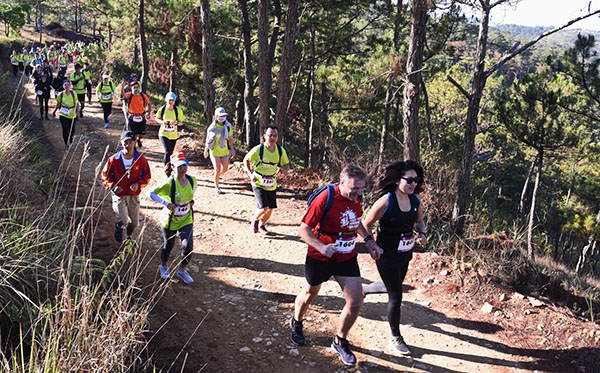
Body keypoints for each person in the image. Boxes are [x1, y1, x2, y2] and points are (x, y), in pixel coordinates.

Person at [290, 165, 382, 366]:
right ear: (341, 183)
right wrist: (322, 247)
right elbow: (303, 230)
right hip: (320, 256)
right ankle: (297, 321)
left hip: (346, 257)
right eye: (354, 188)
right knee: (310, 293)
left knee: (356, 301)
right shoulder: (325, 197)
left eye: (361, 189)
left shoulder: (356, 197)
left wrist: (369, 240)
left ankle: (340, 340)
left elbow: (355, 221)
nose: (357, 193)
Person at [362, 160, 427, 356]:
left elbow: (420, 220)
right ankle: (396, 337)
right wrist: (371, 244)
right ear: (398, 180)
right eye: (409, 180)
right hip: (386, 254)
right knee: (396, 295)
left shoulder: (415, 201)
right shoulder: (386, 201)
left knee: (394, 284)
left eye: (416, 180)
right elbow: (366, 224)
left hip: (405, 253)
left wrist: (422, 233)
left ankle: (364, 289)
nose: (413, 184)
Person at [149, 152, 197, 284]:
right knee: (168, 245)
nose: (183, 168)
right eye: (179, 166)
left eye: (184, 165)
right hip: (169, 221)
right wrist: (166, 203)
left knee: (188, 246)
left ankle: (182, 270)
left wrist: (190, 201)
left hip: (186, 219)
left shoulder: (192, 180)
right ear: (173, 167)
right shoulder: (169, 183)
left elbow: (193, 191)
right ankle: (164, 266)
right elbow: (151, 193)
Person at [101, 131, 152, 245]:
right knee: (124, 220)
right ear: (121, 143)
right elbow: (105, 176)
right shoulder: (114, 160)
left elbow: (147, 176)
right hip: (119, 194)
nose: (128, 145)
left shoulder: (140, 159)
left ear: (135, 142)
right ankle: (119, 226)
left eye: (130, 142)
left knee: (134, 223)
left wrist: (138, 184)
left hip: (134, 195)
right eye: (125, 142)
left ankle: (128, 236)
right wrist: (113, 186)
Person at [243, 126, 290, 234]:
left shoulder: (280, 150)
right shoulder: (258, 149)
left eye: (275, 136)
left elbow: (285, 164)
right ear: (264, 136)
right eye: (270, 135)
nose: (272, 138)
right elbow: (246, 160)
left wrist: (285, 169)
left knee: (270, 209)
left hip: (271, 183)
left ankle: (262, 225)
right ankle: (254, 220)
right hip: (258, 181)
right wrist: (250, 174)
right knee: (264, 207)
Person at [204, 107, 236, 194]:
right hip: (214, 151)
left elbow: (229, 139)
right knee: (217, 169)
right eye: (220, 116)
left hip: (224, 151)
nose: (222, 118)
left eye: (224, 116)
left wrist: (232, 149)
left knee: (225, 169)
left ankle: (216, 176)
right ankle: (217, 187)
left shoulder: (228, 127)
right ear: (216, 116)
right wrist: (206, 150)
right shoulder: (212, 127)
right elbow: (208, 140)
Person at [156, 92, 185, 176]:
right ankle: (166, 170)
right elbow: (157, 118)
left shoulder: (178, 110)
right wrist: (162, 122)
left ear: (174, 101)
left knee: (171, 152)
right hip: (163, 133)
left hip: (173, 135)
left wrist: (176, 122)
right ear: (166, 100)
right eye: (169, 100)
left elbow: (181, 123)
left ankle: (170, 167)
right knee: (167, 151)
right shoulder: (162, 109)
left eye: (172, 100)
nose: (171, 102)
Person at [122, 79, 152, 147]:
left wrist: (149, 113)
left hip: (141, 117)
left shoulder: (143, 95)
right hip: (132, 117)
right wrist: (122, 86)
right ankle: (134, 148)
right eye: (134, 87)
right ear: (131, 88)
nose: (136, 89)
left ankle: (139, 139)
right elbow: (123, 94)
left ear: (139, 88)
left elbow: (149, 104)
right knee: (134, 135)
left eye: (137, 87)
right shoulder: (130, 95)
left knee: (141, 134)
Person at [52, 80, 80, 146]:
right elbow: (58, 104)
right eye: (65, 85)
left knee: (72, 130)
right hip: (63, 113)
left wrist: (78, 111)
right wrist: (54, 111)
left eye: (68, 85)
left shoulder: (74, 94)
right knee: (65, 128)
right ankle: (66, 143)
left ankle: (70, 138)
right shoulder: (60, 94)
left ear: (70, 86)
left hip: (72, 114)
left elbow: (76, 103)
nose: (66, 86)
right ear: (63, 86)